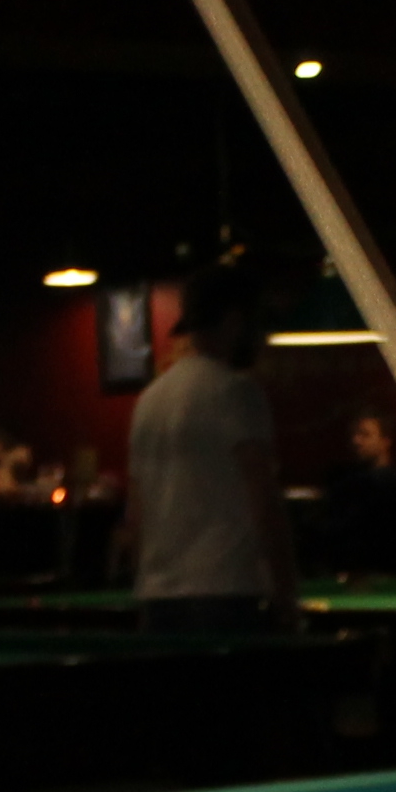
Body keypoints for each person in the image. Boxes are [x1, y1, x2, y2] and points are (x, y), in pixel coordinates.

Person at [119, 262, 294, 631]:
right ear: (234, 321)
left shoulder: (148, 400)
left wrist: (142, 590)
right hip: (228, 593)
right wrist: (286, 596)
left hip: (159, 598)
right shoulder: (236, 392)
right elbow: (264, 502)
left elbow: (136, 512)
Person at [315, 407, 396, 573]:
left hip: (393, 572)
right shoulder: (343, 482)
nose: (356, 440)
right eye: (355, 434)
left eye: (365, 434)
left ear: (385, 440)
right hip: (353, 571)